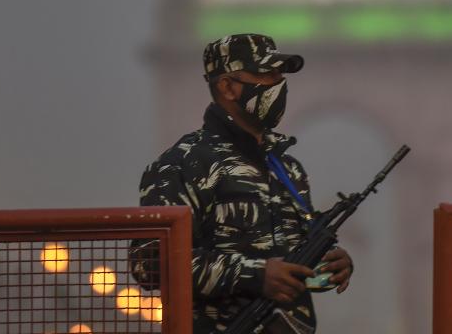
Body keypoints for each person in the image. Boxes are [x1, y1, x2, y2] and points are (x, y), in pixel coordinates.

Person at [134, 34, 353, 333]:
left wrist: (329, 263)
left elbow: (293, 259)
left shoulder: (288, 169)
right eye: (266, 74)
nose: (279, 83)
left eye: (281, 74)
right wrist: (255, 276)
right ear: (228, 86)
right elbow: (150, 265)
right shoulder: (184, 163)